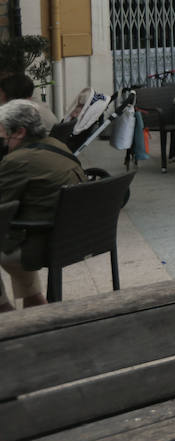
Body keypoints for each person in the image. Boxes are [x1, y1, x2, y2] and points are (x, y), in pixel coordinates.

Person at [0, 99, 86, 311]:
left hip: (46, 243)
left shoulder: (18, 160)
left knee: (9, 237)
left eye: (2, 133)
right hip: (77, 237)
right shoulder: (57, 145)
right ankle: (35, 301)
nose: (1, 139)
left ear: (19, 132)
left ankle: (3, 309)